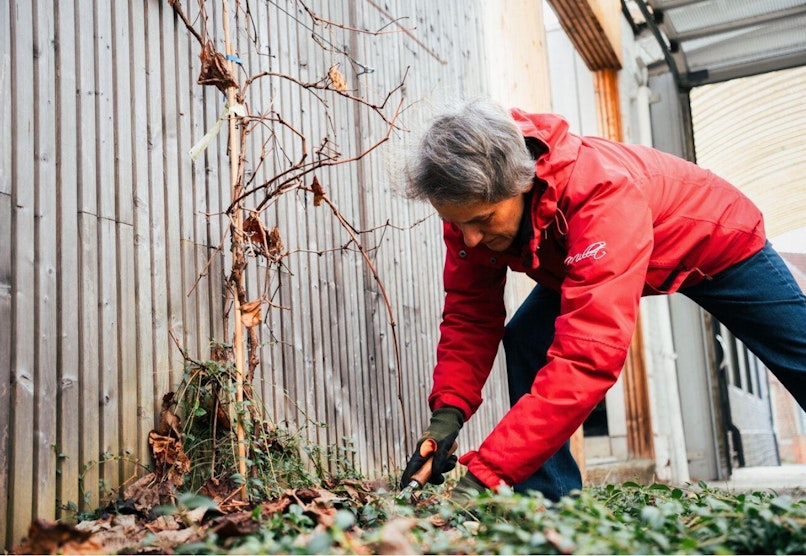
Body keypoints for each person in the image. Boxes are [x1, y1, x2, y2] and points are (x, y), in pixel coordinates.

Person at [399, 98, 806, 504]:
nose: (467, 238)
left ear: (521, 184)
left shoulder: (600, 195)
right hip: (597, 253)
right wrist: (446, 418)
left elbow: (587, 356)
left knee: (798, 351)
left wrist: (487, 475)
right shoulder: (471, 205)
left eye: (482, 220)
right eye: (455, 223)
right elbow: (470, 315)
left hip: (716, 239)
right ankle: (548, 504)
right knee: (527, 338)